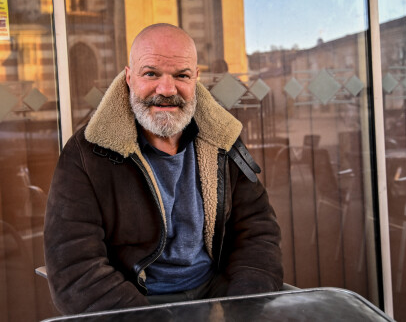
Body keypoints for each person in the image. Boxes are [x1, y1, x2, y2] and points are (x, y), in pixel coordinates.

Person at [44, 24, 283, 315]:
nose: (167, 90)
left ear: (196, 78)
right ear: (129, 77)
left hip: (215, 295)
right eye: (151, 74)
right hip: (134, 304)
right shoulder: (87, 154)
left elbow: (258, 230)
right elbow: (75, 269)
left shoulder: (223, 140)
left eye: (181, 75)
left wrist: (245, 303)